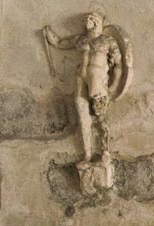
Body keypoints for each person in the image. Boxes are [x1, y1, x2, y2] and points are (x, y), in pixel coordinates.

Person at [44, 12, 122, 166]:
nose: (89, 21)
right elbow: (60, 43)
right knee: (82, 115)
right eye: (87, 19)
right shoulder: (81, 39)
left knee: (100, 116)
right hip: (81, 77)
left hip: (98, 79)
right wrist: (49, 35)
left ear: (99, 22)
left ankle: (105, 152)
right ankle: (87, 154)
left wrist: (114, 85)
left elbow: (119, 65)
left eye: (93, 18)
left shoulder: (107, 40)